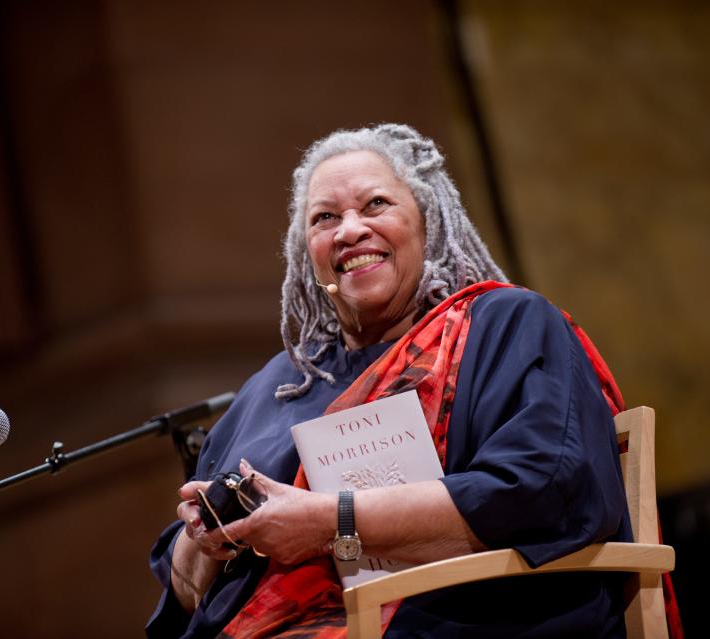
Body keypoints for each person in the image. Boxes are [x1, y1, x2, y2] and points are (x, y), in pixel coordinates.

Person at [147, 124, 638, 638]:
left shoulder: (504, 326)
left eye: (376, 204)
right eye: (325, 218)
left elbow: (545, 488)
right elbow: (183, 597)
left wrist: (330, 521)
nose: (349, 230)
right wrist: (204, 540)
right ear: (308, 258)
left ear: (428, 224)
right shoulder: (277, 386)